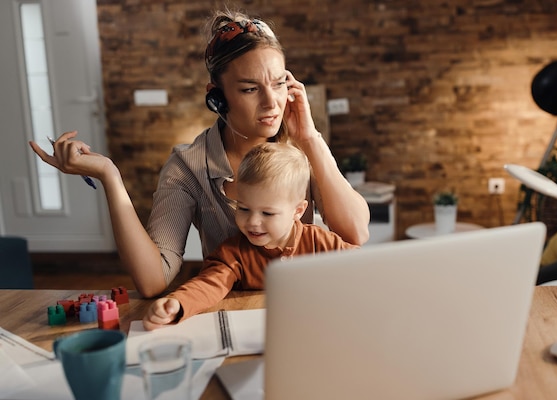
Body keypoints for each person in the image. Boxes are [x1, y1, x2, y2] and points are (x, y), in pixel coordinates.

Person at [29, 9, 370, 298]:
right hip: (232, 315)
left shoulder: (302, 150)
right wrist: (110, 176)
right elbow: (153, 280)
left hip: (306, 307)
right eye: (251, 89)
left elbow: (356, 234)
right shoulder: (188, 166)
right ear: (217, 97)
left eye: (279, 84)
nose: (272, 103)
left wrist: (310, 137)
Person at [143, 142, 358, 329]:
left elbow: (361, 266)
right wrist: (178, 303)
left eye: (267, 213)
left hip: (312, 329)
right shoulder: (233, 254)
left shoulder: (319, 242)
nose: (253, 222)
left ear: (298, 211)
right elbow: (208, 284)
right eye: (244, 209)